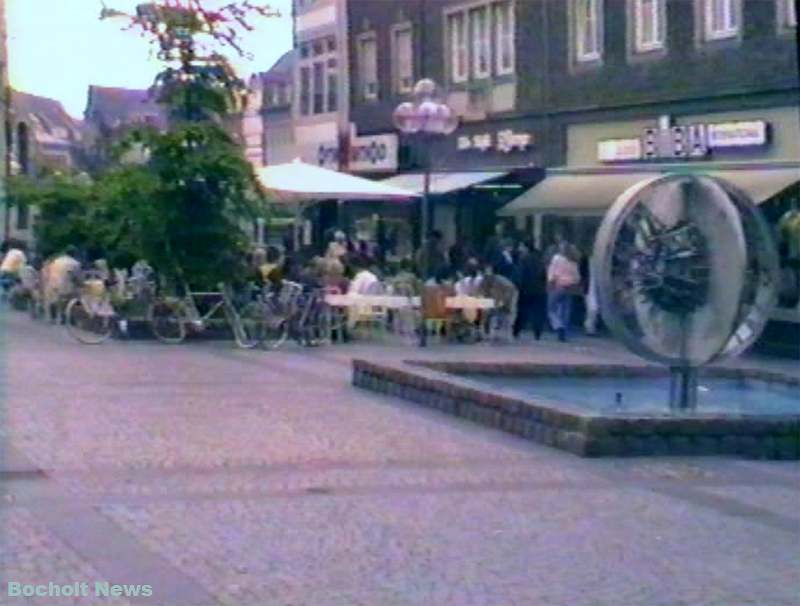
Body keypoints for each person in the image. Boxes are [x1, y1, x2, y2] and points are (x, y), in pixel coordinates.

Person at [547, 240, 582, 342]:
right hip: (570, 287)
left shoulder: (556, 258)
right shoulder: (573, 261)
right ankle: (564, 330)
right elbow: (577, 277)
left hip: (558, 285)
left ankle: (558, 326)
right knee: (565, 309)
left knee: (551, 308)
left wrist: (550, 282)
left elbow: (552, 272)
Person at [512, 241, 548, 340]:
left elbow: (520, 274)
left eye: (521, 246)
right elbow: (544, 273)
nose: (520, 249)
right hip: (539, 289)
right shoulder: (540, 258)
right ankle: (537, 332)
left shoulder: (523, 259)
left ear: (526, 248)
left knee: (522, 311)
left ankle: (516, 331)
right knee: (538, 311)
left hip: (526, 289)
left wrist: (517, 285)